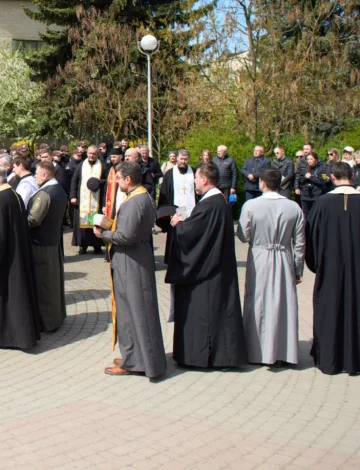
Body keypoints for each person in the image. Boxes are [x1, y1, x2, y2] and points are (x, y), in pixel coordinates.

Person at [166, 163, 248, 369]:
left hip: (206, 271)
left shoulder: (210, 205)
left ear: (204, 179)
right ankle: (221, 356)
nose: (194, 181)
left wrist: (178, 225)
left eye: (196, 178)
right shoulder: (218, 202)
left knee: (205, 314)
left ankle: (201, 357)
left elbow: (192, 235)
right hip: (217, 267)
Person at [305, 162, 360, 376]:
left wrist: (315, 264)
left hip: (330, 268)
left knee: (330, 308)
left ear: (332, 177)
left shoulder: (322, 203)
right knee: (359, 307)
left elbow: (311, 237)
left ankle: (330, 358)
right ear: (352, 176)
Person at [97, 161, 166, 379]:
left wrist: (103, 234)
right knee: (139, 309)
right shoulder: (143, 195)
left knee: (131, 311)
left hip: (131, 261)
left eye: (119, 178)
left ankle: (134, 361)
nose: (116, 182)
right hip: (138, 257)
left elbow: (126, 236)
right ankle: (137, 355)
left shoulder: (134, 201)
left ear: (128, 179)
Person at [236, 169, 306, 366]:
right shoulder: (294, 207)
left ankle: (255, 351)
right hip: (284, 255)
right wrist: (298, 268)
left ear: (262, 183)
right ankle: (283, 351)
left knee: (257, 300)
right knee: (283, 301)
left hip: (259, 256)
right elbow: (300, 243)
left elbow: (243, 235)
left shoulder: (251, 205)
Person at [0, 166, 41, 350]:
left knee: (6, 297)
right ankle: (20, 335)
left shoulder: (0, 200)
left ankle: (8, 337)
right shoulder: (14, 195)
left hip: (6, 262)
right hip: (16, 254)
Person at [26, 161, 67, 333]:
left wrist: (15, 221)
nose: (35, 176)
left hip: (41, 245)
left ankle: (47, 322)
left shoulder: (45, 193)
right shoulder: (59, 190)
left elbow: (33, 219)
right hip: (52, 242)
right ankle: (56, 317)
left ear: (44, 175)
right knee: (54, 284)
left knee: (44, 285)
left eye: (36, 173)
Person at [157, 150, 195, 264]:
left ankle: (191, 257)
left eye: (185, 159)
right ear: (177, 158)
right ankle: (173, 258)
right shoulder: (170, 174)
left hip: (191, 209)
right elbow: (164, 193)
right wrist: (166, 212)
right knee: (174, 234)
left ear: (188, 159)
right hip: (175, 210)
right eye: (181, 159)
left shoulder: (194, 171)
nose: (183, 161)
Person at [70, 145, 106, 255]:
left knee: (96, 222)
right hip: (82, 201)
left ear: (98, 155)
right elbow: (74, 181)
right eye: (90, 153)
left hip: (97, 200)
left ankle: (97, 246)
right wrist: (73, 196)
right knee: (83, 223)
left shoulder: (103, 166)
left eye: (94, 154)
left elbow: (107, 182)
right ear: (87, 153)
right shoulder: (81, 166)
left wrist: (99, 182)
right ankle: (82, 246)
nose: (91, 155)